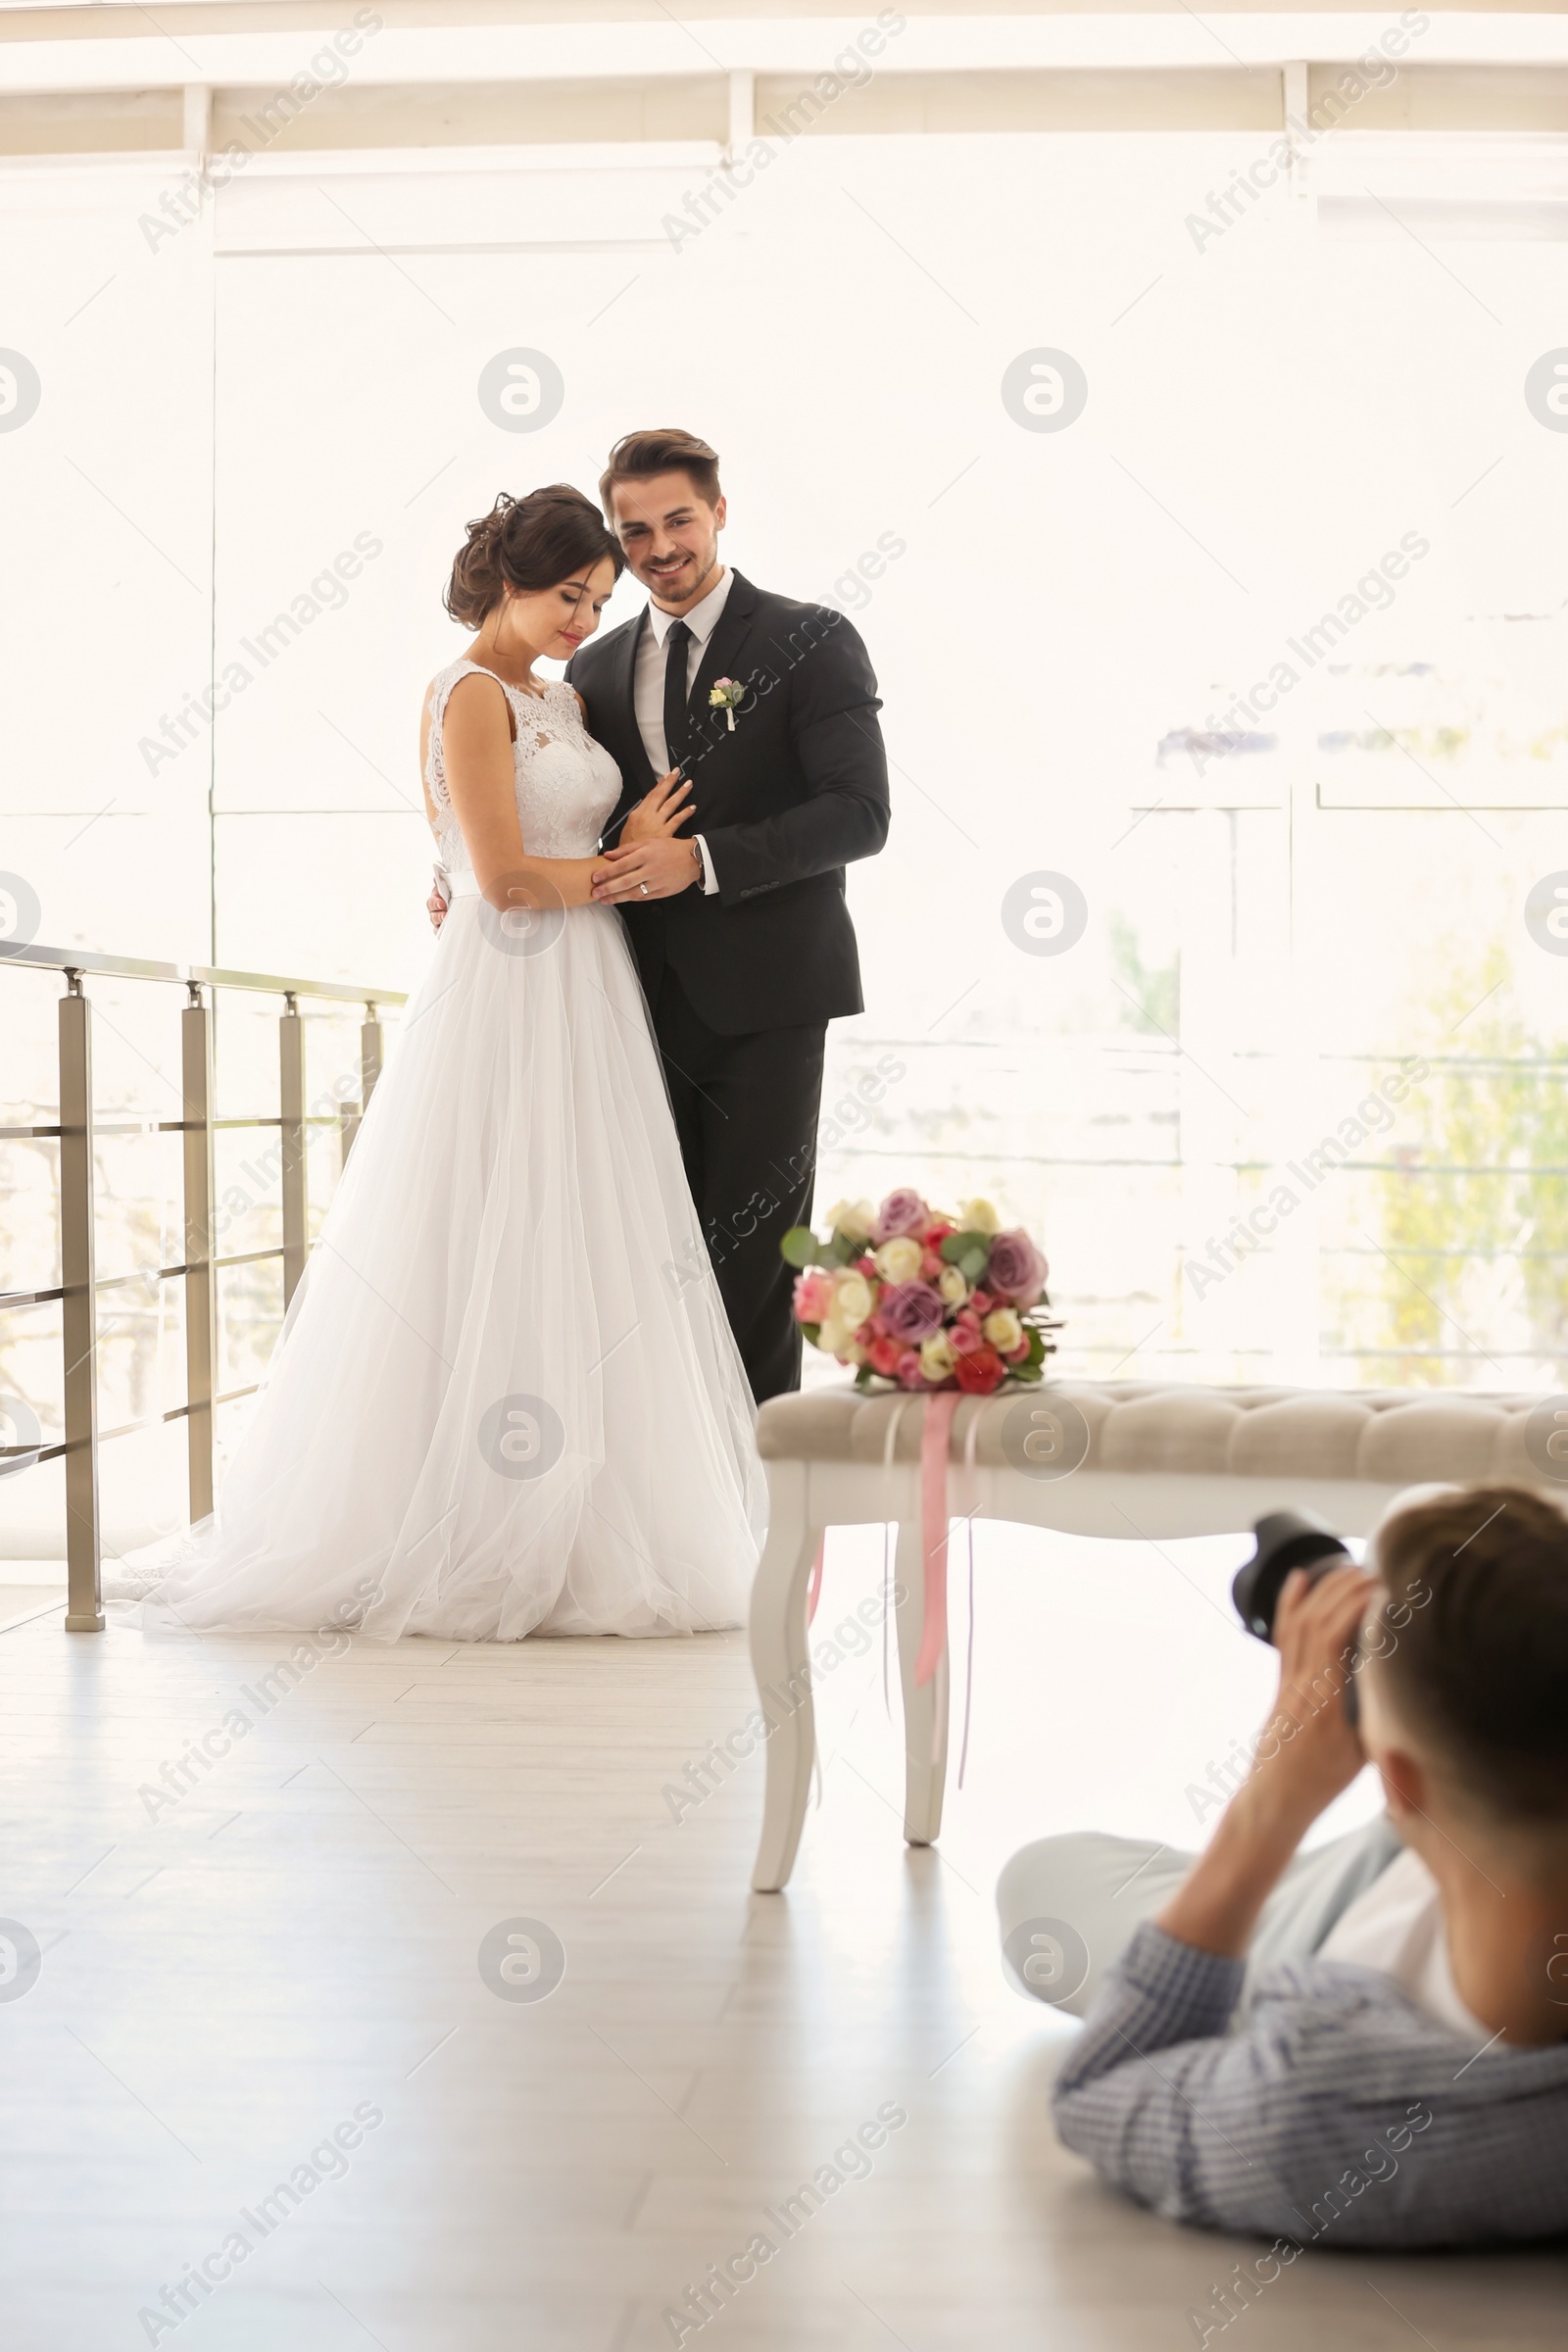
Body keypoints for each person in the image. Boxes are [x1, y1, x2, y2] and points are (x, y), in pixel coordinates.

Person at [111, 484, 764, 1642]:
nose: (583, 619)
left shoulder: (558, 694)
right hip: (515, 977)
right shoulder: (466, 693)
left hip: (587, 985)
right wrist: (635, 866)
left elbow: (515, 852)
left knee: (582, 1228)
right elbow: (502, 879)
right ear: (508, 582)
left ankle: (592, 1509)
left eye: (597, 599)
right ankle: (456, 1513)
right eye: (569, 596)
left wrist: (619, 853)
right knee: (485, 1223)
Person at [431, 428, 890, 1403]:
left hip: (765, 1002)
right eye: (633, 531)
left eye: (678, 519)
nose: (658, 548)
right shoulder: (583, 670)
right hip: (615, 1002)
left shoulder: (811, 638)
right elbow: (527, 812)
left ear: (718, 512)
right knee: (626, 1268)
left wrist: (704, 859)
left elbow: (859, 813)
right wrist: (458, 878)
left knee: (752, 1264)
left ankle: (761, 1519)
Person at [998, 1484, 1568, 2250]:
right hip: (1461, 1859)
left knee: (1043, 1883)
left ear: (1398, 1781)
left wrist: (1270, 1804)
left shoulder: (1317, 2099)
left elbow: (1101, 2088)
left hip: (1338, 1932)